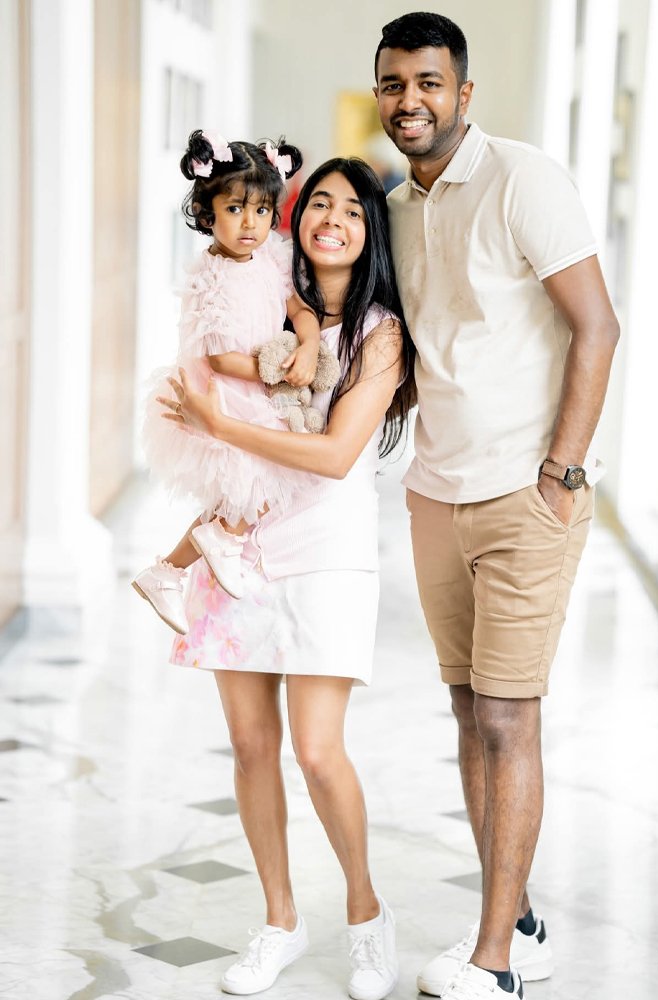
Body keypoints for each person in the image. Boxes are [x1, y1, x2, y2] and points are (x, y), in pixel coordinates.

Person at [373, 12, 620, 1000]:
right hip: (435, 495)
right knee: (470, 712)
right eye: (394, 83)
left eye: (428, 82)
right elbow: (425, 348)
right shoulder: (396, 206)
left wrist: (562, 472)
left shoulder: (525, 179)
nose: (411, 101)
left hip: (526, 495)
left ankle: (496, 963)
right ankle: (516, 918)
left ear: (463, 93)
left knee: (510, 718)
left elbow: (597, 327)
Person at [159, 157, 414, 1000]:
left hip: (328, 552)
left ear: (371, 232)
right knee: (249, 745)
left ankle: (367, 916)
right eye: (320, 205)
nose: (332, 220)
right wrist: (201, 419)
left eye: (353, 210)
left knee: (316, 749)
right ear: (295, 219)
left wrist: (217, 420)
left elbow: (335, 455)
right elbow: (203, 368)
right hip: (243, 542)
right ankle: (279, 921)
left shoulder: (380, 333)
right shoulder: (265, 292)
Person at [133, 128, 322, 633]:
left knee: (242, 497)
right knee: (263, 480)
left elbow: (300, 308)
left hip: (260, 385)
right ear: (206, 213)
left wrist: (307, 344)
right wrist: (278, 371)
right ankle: (205, 550)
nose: (250, 223)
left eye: (261, 210)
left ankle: (168, 571)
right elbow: (219, 358)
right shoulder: (209, 277)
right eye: (235, 209)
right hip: (224, 393)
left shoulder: (272, 257)